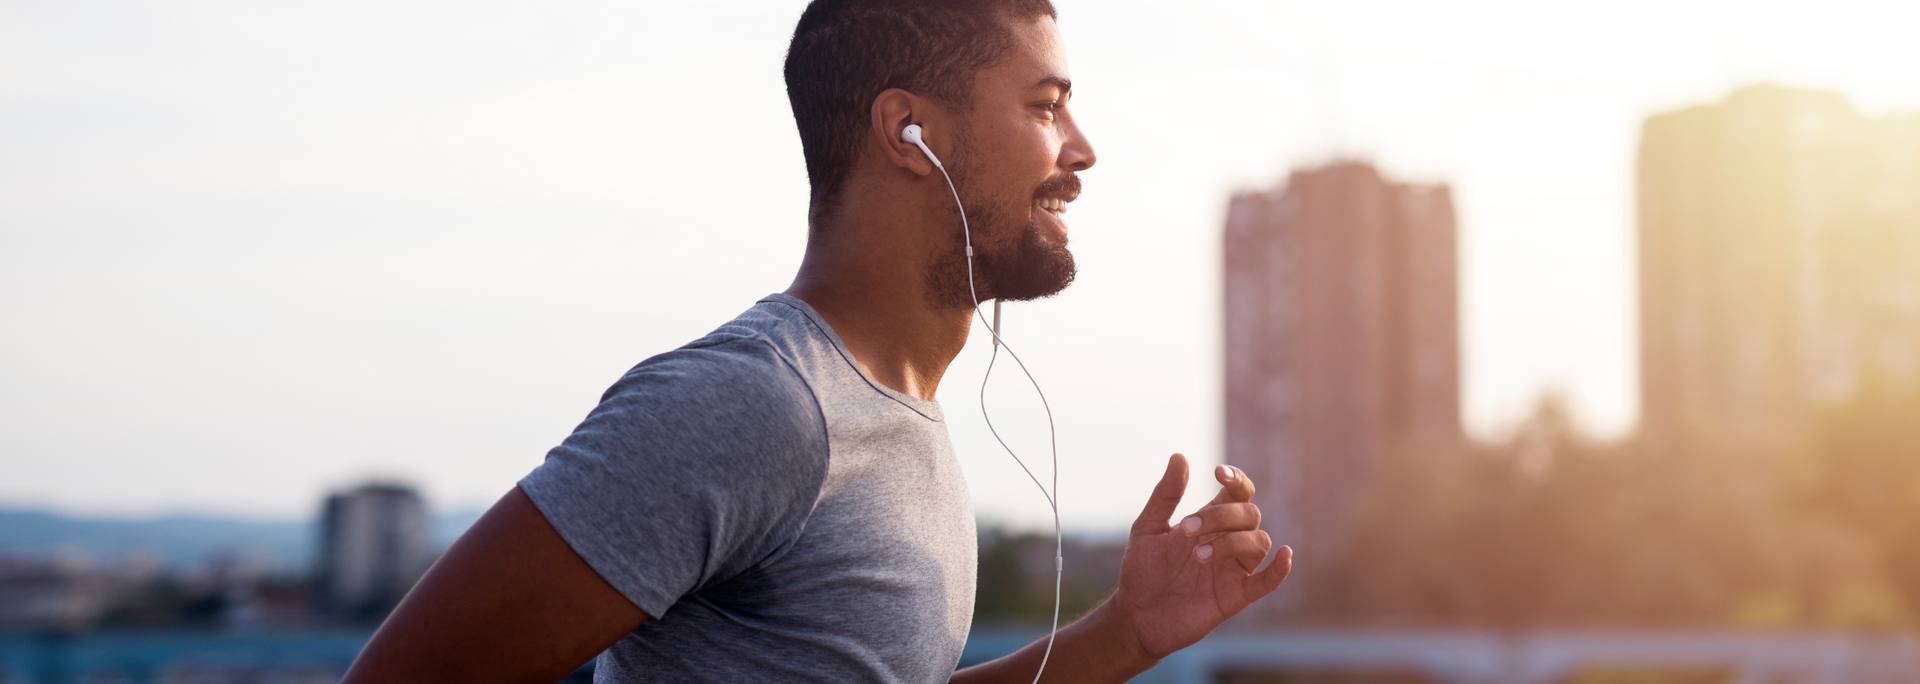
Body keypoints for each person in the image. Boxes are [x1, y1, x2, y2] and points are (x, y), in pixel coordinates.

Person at [340, 1, 1290, 682]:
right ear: (907, 131)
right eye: (1045, 106)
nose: (1080, 149)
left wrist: (1128, 634)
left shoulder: (894, 418)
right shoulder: (752, 407)